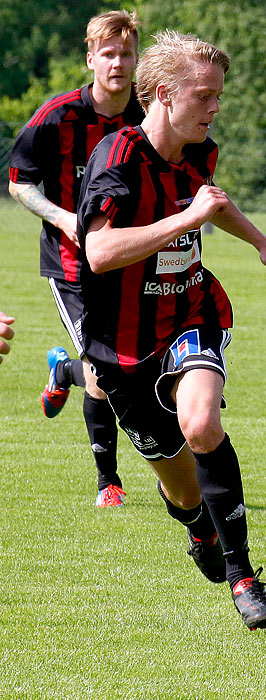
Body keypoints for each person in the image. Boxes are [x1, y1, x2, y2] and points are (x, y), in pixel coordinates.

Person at [76, 29, 266, 630]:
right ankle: (201, 530)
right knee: (182, 490)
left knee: (201, 422)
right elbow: (99, 251)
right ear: (165, 95)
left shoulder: (201, 148)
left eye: (219, 95)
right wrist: (186, 219)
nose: (215, 107)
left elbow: (212, 200)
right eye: (206, 96)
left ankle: (244, 577)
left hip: (191, 311)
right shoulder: (116, 159)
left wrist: (262, 242)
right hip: (119, 344)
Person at [8, 10, 144, 508]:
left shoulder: (148, 117)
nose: (117, 63)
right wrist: (64, 218)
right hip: (71, 266)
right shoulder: (58, 116)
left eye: (126, 54)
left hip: (131, 261)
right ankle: (109, 482)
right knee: (105, 372)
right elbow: (19, 183)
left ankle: (61, 371)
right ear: (91, 59)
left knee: (131, 367)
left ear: (136, 60)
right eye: (107, 54)